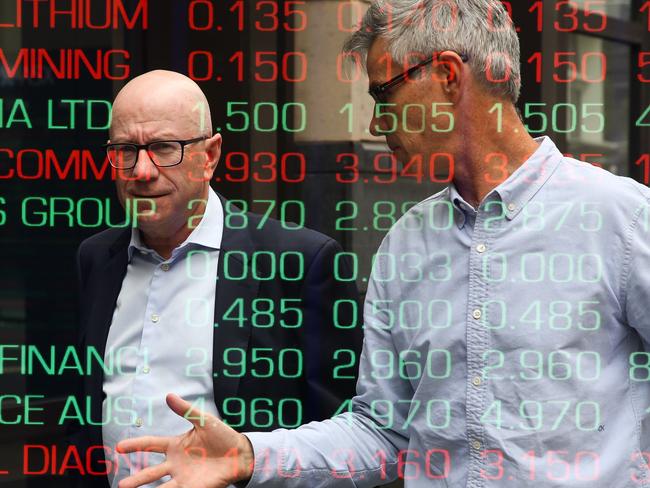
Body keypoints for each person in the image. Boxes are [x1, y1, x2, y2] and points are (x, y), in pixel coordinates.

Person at [116, 2, 650, 487]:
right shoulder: (406, 245)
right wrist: (251, 455)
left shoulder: (620, 220)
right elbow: (383, 434)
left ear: (446, 75)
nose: (374, 121)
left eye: (382, 93)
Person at [71, 70, 362, 487]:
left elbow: (349, 440)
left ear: (209, 155)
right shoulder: (96, 259)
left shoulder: (300, 263)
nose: (141, 170)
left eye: (163, 147)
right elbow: (83, 415)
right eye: (125, 150)